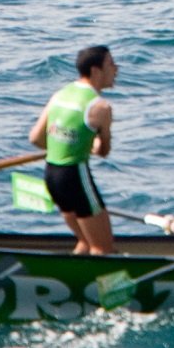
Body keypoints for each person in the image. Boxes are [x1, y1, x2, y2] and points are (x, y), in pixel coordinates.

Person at [27, 45, 117, 254]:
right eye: (111, 64)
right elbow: (103, 151)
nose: (116, 69)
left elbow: (36, 138)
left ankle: (74, 281)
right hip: (76, 177)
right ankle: (107, 287)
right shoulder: (101, 107)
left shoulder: (60, 94)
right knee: (102, 248)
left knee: (84, 242)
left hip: (52, 176)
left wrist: (65, 144)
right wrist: (93, 145)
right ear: (96, 71)